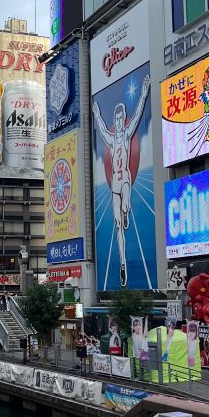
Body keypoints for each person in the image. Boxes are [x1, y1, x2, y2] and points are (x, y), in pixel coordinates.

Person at [92, 74, 151, 287]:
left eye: (120, 119)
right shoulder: (110, 137)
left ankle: (126, 210)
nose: (118, 122)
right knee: (118, 225)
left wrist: (143, 94)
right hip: (113, 185)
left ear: (122, 119)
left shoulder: (126, 135)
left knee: (125, 203)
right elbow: (99, 126)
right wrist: (97, 113)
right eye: (115, 119)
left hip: (125, 179)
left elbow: (136, 116)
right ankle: (123, 263)